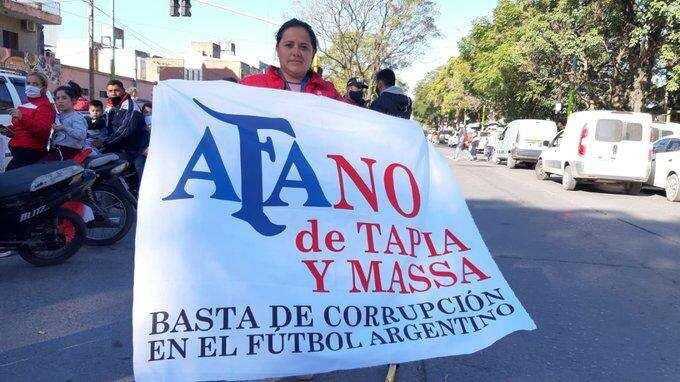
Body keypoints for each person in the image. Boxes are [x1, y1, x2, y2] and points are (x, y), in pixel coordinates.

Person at [240, 18, 344, 101]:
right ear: (277, 49)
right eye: (289, 45)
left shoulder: (330, 93)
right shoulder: (249, 87)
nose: (296, 53)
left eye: (303, 47)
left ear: (313, 53)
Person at [0, 72, 56, 170]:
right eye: (28, 83)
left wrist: (22, 118)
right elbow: (19, 127)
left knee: (10, 180)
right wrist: (9, 130)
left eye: (35, 84)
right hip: (17, 151)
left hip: (30, 153)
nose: (31, 86)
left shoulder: (45, 106)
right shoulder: (24, 104)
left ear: (43, 87)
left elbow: (42, 130)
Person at [95, 79, 147, 178]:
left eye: (116, 90)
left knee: (141, 179)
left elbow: (125, 131)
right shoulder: (112, 106)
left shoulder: (130, 107)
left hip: (133, 150)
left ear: (123, 91)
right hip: (117, 146)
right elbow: (106, 125)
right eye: (110, 91)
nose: (113, 93)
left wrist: (104, 143)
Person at [44, 85, 87, 161]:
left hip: (69, 153)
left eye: (64, 98)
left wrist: (64, 128)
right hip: (55, 150)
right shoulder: (57, 116)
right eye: (57, 98)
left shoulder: (77, 117)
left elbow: (81, 135)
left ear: (73, 100)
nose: (60, 101)